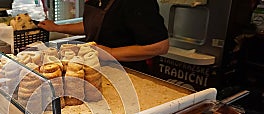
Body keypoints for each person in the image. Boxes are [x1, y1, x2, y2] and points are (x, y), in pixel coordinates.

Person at [38, 0, 169, 72]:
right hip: (99, 70)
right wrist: (57, 28)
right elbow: (93, 24)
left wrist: (110, 52)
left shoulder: (137, 3)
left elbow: (160, 46)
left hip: (128, 73)